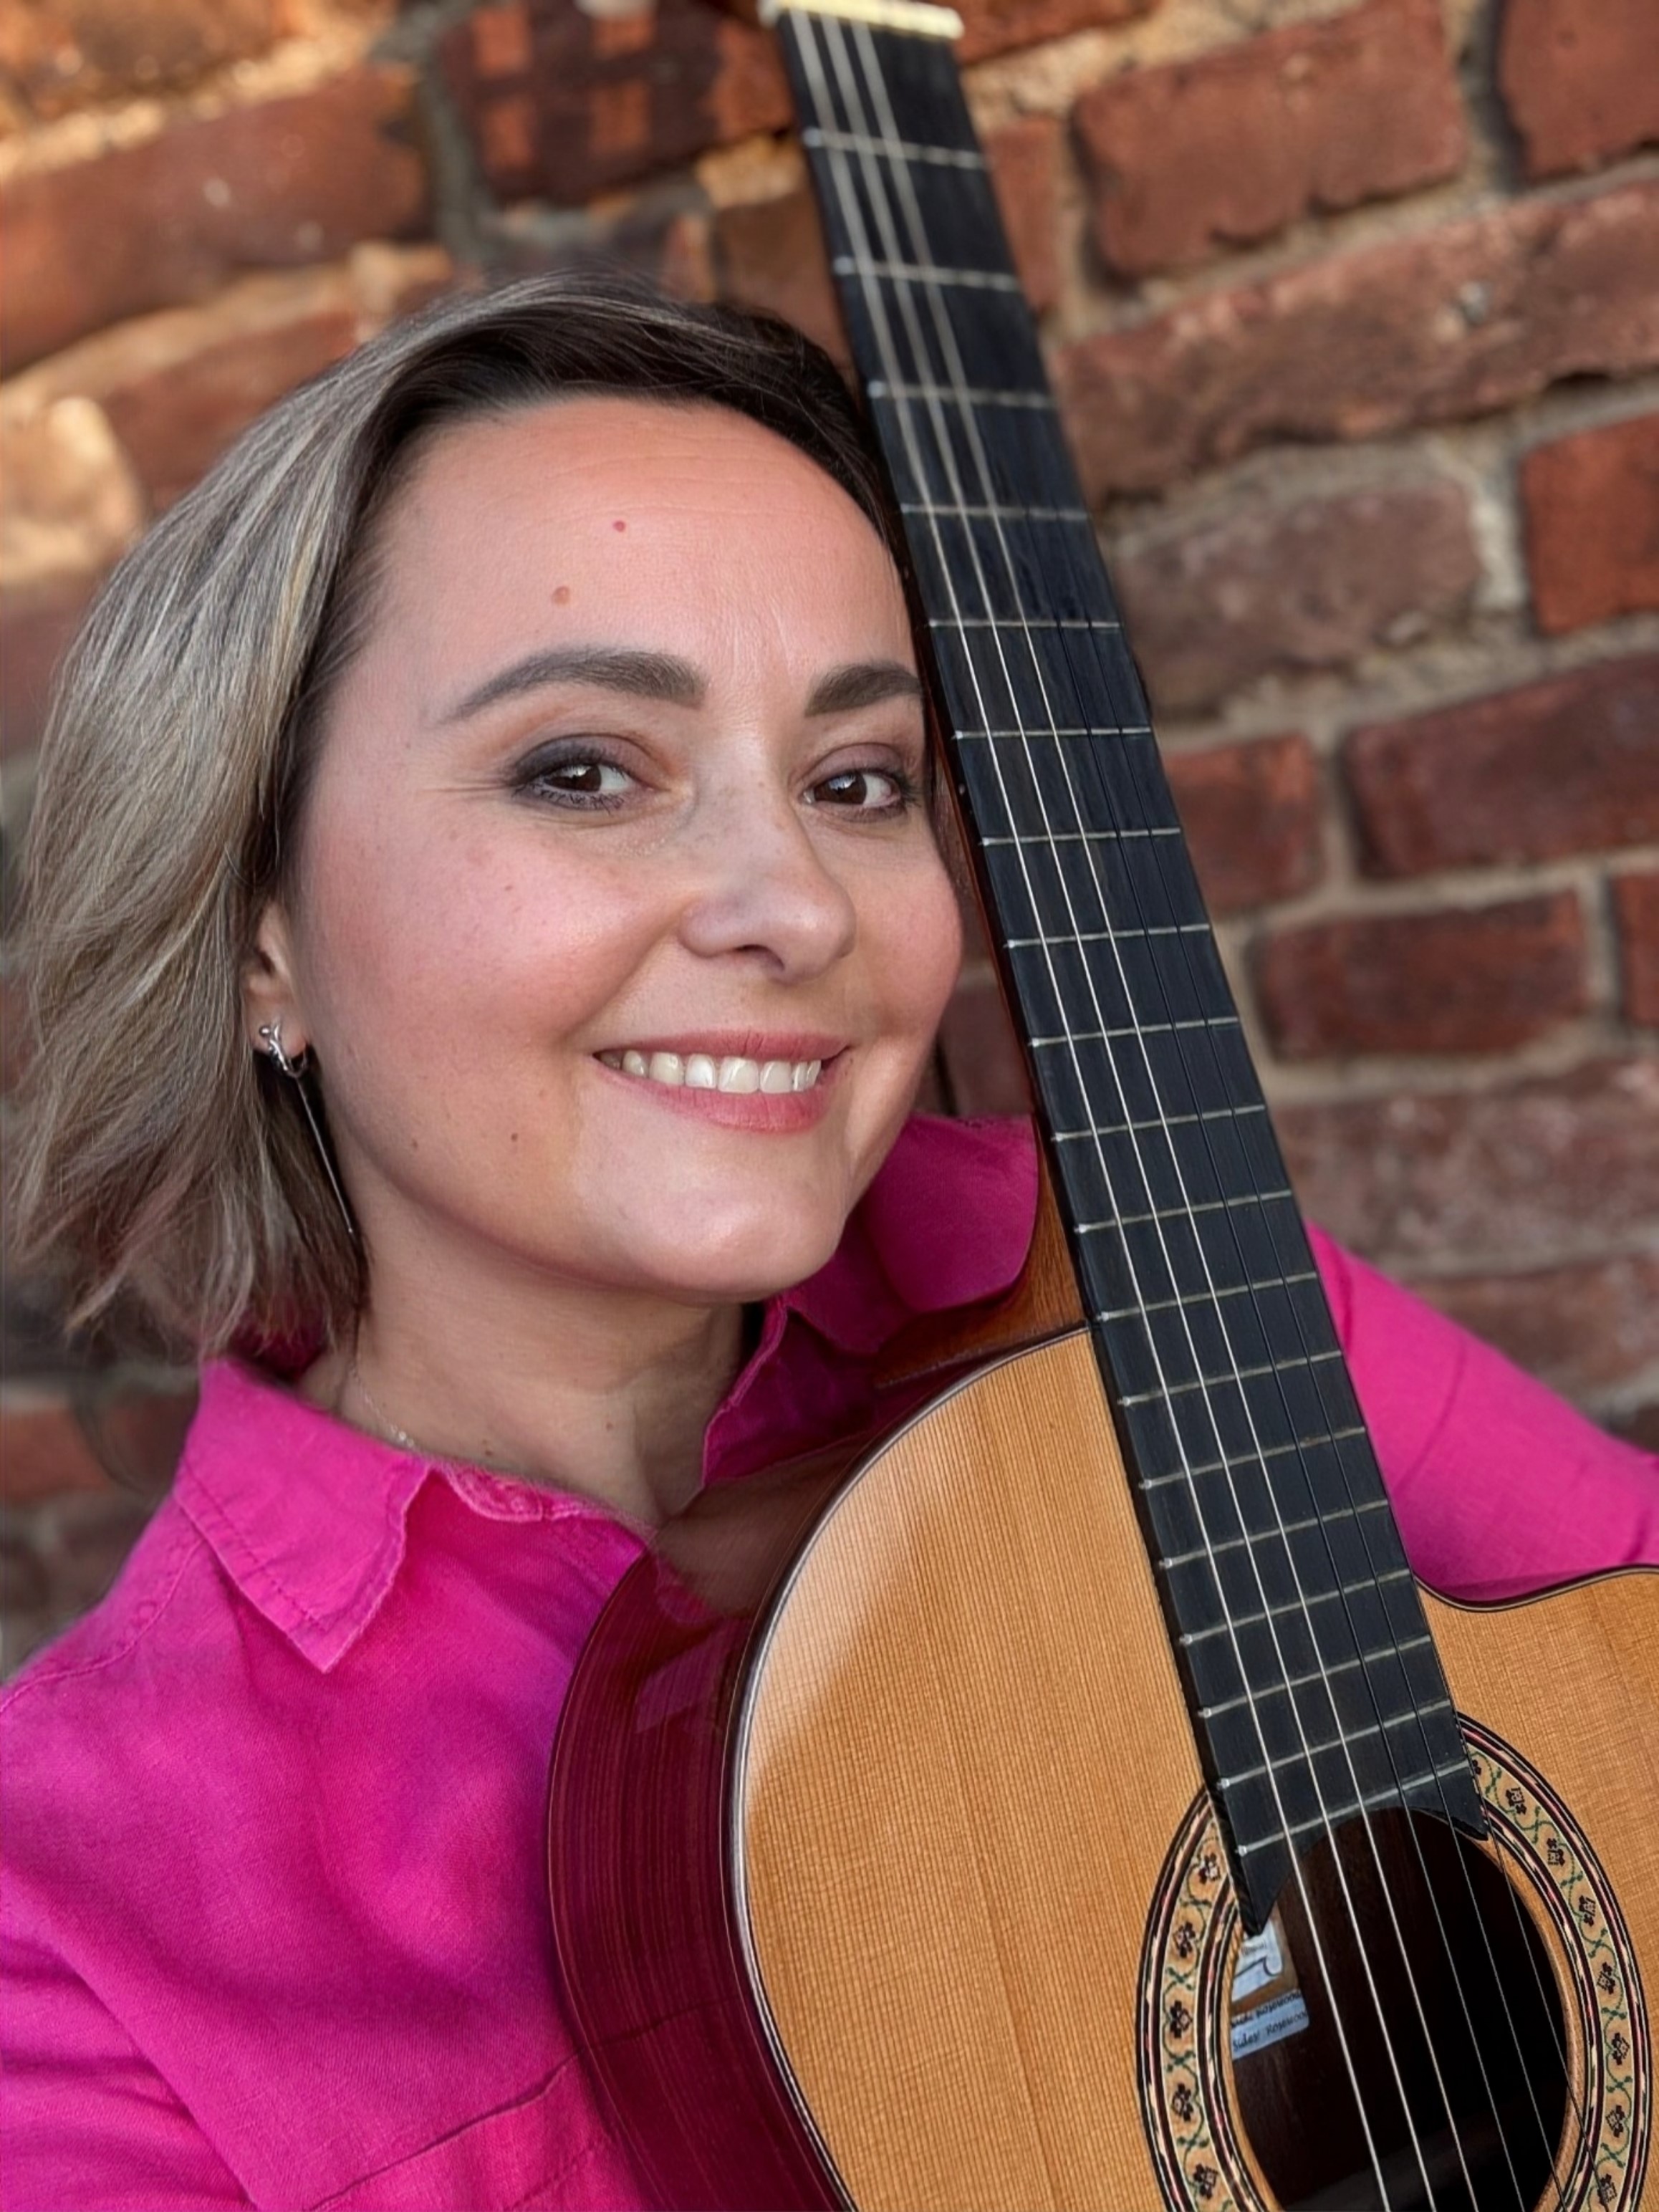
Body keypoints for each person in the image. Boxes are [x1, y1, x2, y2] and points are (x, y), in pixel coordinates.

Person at [3, 277, 1655, 2211]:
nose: (793, 904)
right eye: (585, 769)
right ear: (257, 928)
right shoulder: (68, 1920)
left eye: (856, 781)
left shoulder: (1129, 1283)